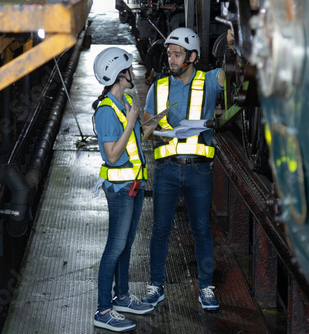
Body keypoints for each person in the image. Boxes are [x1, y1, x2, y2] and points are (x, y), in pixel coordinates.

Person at [141, 27, 232, 311]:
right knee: (160, 230)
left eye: (177, 54)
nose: (171, 59)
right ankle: (156, 286)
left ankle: (206, 287)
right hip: (167, 169)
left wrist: (232, 42)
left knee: (202, 230)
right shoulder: (159, 87)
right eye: (170, 54)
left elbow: (235, 72)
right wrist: (161, 133)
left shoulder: (209, 81)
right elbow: (145, 128)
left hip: (198, 171)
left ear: (192, 56)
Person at [91, 47, 154, 332]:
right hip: (119, 190)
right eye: (129, 69)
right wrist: (130, 122)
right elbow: (113, 156)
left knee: (126, 244)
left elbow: (135, 140)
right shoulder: (107, 112)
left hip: (135, 184)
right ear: (120, 74)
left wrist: (152, 123)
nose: (134, 72)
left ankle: (123, 297)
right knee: (114, 248)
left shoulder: (125, 101)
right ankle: (104, 310)